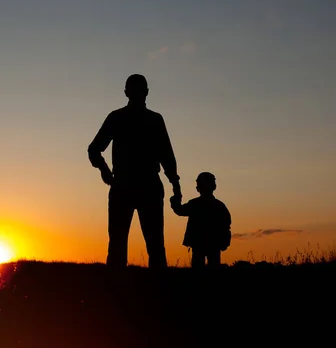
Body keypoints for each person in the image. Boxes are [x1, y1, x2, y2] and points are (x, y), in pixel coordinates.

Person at [88, 74, 181, 269]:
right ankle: (137, 291)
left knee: (140, 244)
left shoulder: (129, 118)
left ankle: (126, 291)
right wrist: (105, 171)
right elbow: (94, 149)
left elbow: (166, 155)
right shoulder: (138, 119)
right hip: (132, 185)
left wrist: (175, 183)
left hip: (135, 186)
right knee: (135, 244)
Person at [170, 172, 232, 268]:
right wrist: (224, 242)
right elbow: (226, 225)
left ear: (198, 188)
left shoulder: (195, 204)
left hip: (200, 243)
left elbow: (180, 211)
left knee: (198, 271)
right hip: (212, 243)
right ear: (214, 186)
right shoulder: (219, 206)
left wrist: (175, 200)